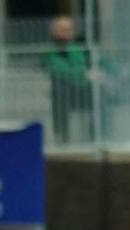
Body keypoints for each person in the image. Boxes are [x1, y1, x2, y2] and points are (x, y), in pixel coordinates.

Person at [43, 15, 95, 144]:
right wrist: (85, 74)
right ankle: (62, 138)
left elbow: (98, 62)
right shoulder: (51, 51)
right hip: (64, 92)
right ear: (54, 32)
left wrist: (104, 74)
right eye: (63, 30)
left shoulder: (78, 49)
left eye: (69, 29)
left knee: (101, 93)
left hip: (83, 89)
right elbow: (59, 70)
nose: (67, 33)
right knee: (59, 91)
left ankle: (98, 136)